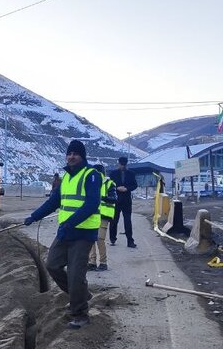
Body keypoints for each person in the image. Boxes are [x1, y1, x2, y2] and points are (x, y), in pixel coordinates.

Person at [23, 139, 100, 329]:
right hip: (66, 232)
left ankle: (80, 313)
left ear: (82, 156)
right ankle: (80, 295)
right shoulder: (66, 178)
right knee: (52, 265)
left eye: (75, 153)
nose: (71, 156)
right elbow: (53, 203)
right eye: (69, 153)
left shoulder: (91, 175)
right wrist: (34, 216)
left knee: (75, 275)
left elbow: (91, 205)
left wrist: (70, 223)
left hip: (83, 234)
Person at [87, 164, 117, 271]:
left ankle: (103, 262)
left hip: (103, 215)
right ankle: (92, 262)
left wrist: (102, 198)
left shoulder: (110, 184)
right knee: (90, 239)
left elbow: (114, 198)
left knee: (99, 238)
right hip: (92, 214)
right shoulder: (91, 183)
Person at [108, 157, 138, 248]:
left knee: (127, 221)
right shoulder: (113, 174)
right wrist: (117, 188)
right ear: (119, 164)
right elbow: (109, 185)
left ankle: (130, 241)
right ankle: (112, 239)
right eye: (121, 164)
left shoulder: (131, 174)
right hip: (116, 200)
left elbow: (135, 185)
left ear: (126, 164)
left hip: (126, 201)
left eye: (124, 165)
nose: (123, 166)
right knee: (114, 221)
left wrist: (127, 188)